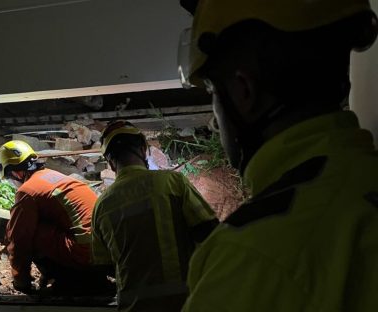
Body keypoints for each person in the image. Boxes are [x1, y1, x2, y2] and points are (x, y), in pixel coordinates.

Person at [178, 0, 378, 311]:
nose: (216, 122)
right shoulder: (362, 185)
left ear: (244, 89)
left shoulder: (251, 253)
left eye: (214, 93)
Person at [91, 120, 218, 311]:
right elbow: (210, 232)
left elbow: (103, 265)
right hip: (183, 303)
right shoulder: (171, 182)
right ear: (143, 149)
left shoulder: (101, 206)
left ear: (110, 161)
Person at [0, 140, 110, 294]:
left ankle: (67, 280)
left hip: (85, 255)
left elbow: (18, 241)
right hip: (105, 252)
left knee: (25, 230)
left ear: (16, 173)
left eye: (9, 178)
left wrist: (21, 281)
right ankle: (64, 276)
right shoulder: (54, 176)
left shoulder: (27, 191)